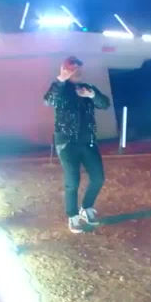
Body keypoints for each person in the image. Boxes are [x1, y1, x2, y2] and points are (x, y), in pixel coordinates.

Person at [43, 56, 111, 233]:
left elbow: (105, 104)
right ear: (65, 70)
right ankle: (72, 216)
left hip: (88, 141)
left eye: (79, 69)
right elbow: (48, 100)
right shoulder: (60, 88)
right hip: (66, 143)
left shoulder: (87, 88)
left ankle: (86, 208)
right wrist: (60, 80)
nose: (77, 72)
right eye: (72, 69)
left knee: (98, 178)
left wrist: (92, 95)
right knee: (72, 181)